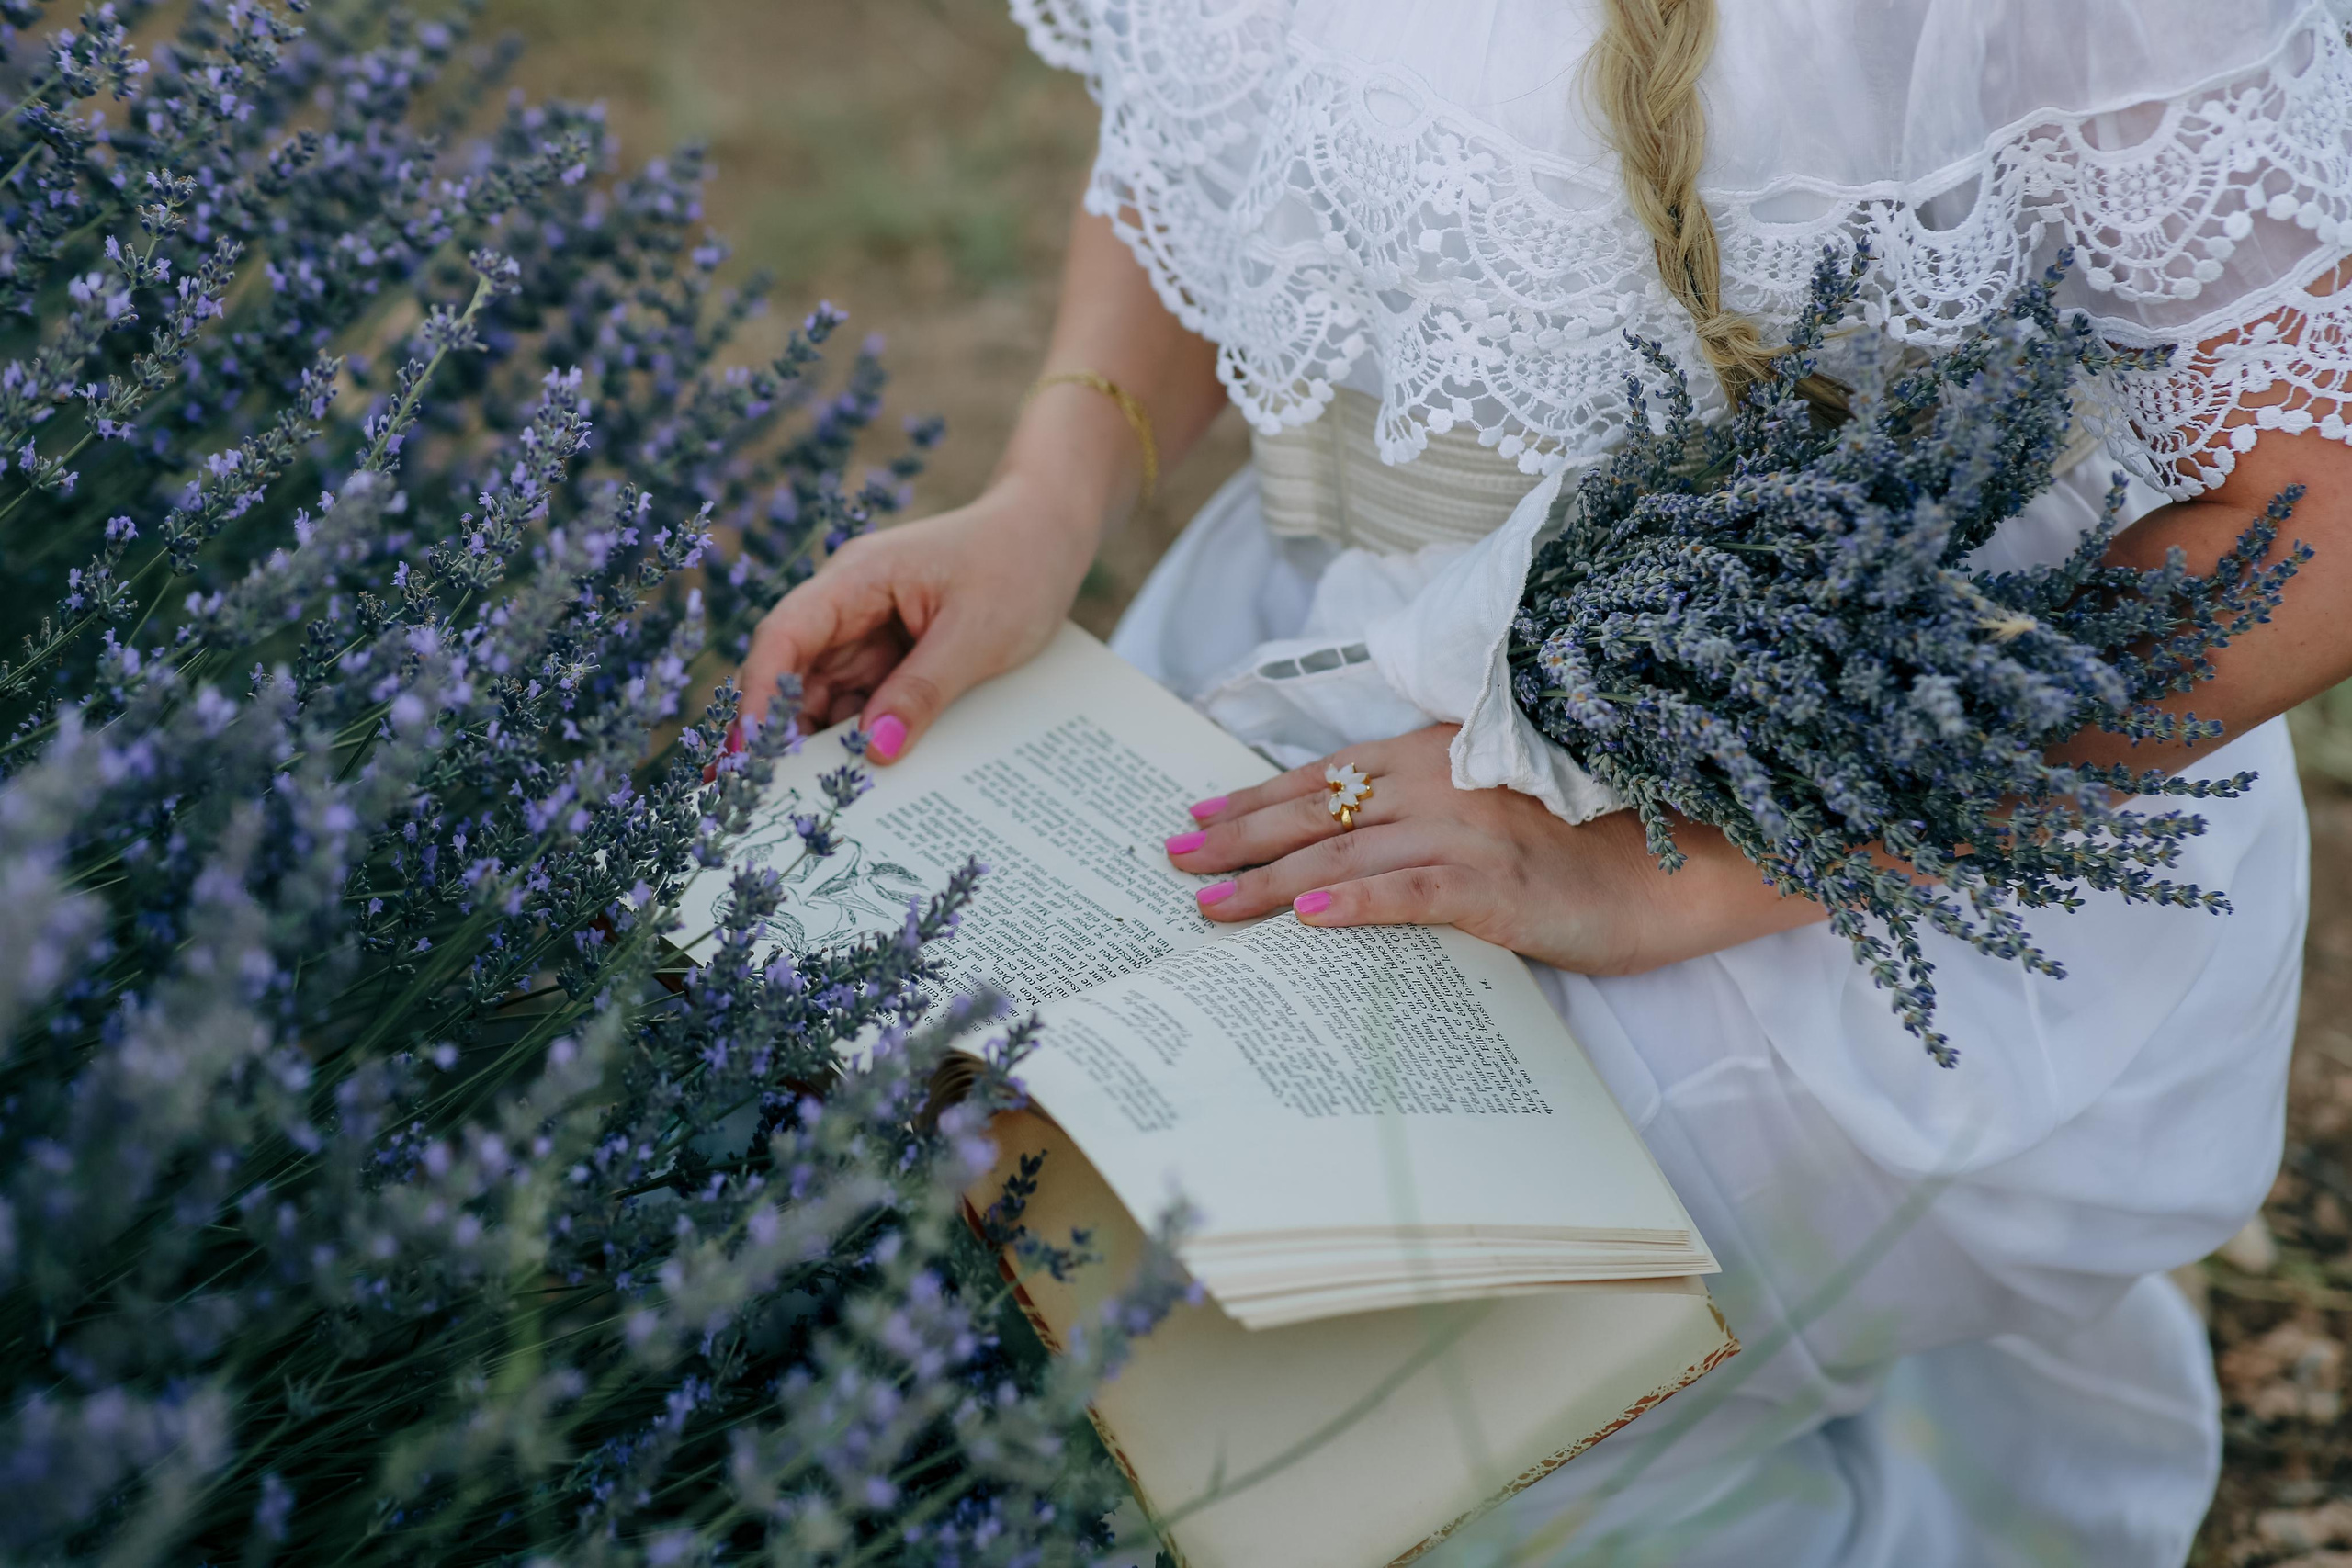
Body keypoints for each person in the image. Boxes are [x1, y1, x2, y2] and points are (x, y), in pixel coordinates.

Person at [740, 2, 2352, 1562]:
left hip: (1849, 806)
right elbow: (1210, 126)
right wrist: (1048, 496)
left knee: (1331, 1428)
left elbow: (2317, 516)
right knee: (1006, 1225)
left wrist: (1690, 861)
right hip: (1334, 646)